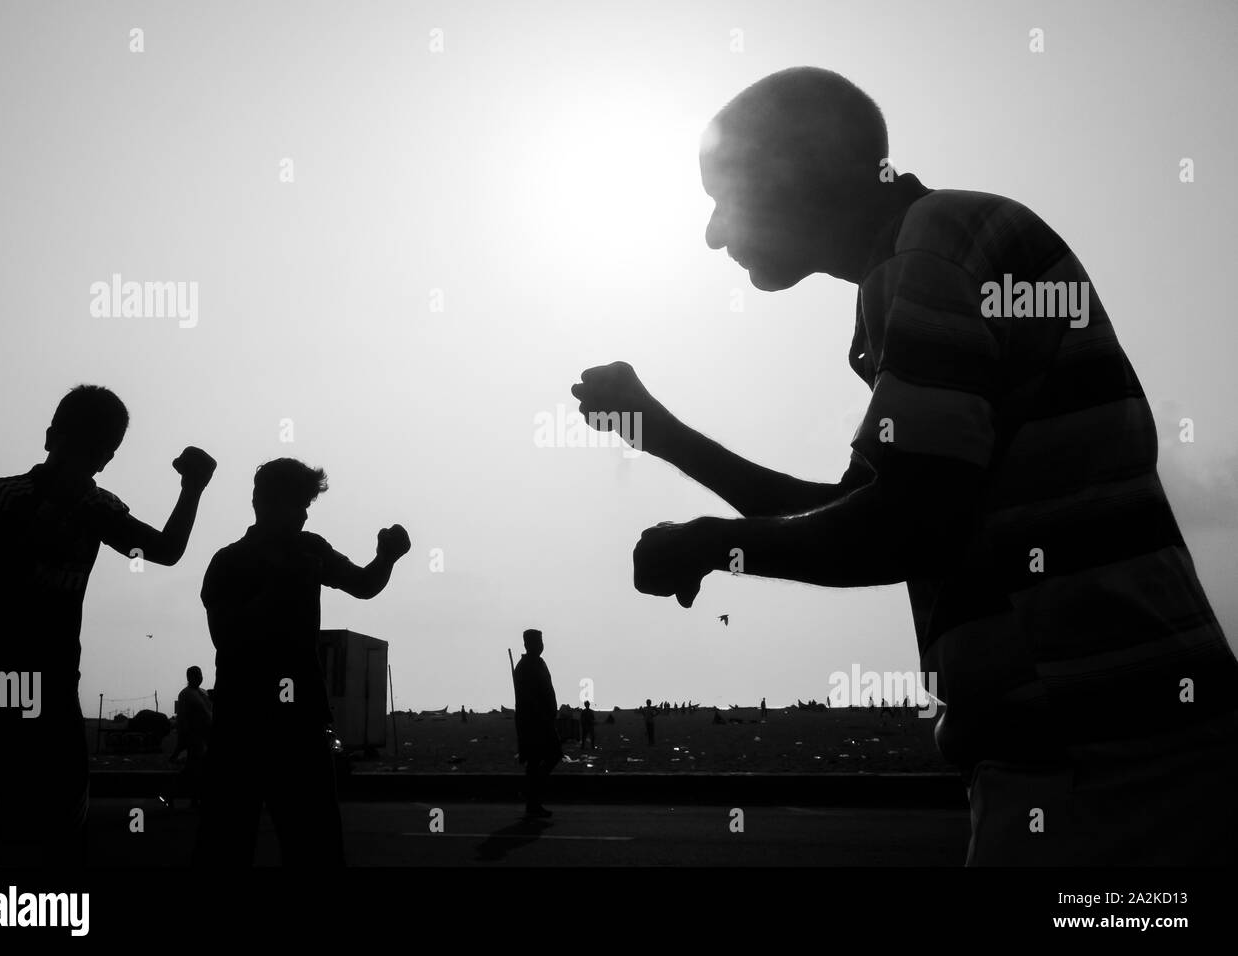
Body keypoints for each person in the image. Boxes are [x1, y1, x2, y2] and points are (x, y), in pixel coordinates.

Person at [571, 67, 1238, 866]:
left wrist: (714, 543)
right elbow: (862, 511)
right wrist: (665, 436)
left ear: (805, 169)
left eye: (725, 194)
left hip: (1100, 763)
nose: (713, 233)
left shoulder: (935, 249)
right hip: (1113, 748)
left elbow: (904, 526)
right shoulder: (932, 252)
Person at [0, 384, 215, 865]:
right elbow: (11, 557)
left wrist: (192, 489)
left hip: (42, 684)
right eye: (89, 449)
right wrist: (76, 500)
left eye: (99, 453)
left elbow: (166, 551)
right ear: (50, 439)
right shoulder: (2, 495)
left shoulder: (97, 508)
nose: (95, 463)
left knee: (54, 830)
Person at [195, 458, 410, 866]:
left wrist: (387, 557)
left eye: (306, 504)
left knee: (316, 846)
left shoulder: (311, 550)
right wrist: (279, 586)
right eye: (297, 503)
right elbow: (226, 636)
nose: (304, 513)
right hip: (242, 724)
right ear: (262, 502)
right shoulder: (230, 562)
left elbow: (363, 585)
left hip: (302, 723)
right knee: (224, 845)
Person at [513, 628, 561, 818]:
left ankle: (533, 798)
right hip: (533, 722)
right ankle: (532, 799)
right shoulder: (524, 667)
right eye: (536, 642)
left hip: (545, 719)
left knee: (548, 757)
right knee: (538, 759)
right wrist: (542, 715)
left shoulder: (540, 663)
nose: (540, 646)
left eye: (541, 642)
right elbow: (527, 698)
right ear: (527, 644)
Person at [170, 665, 213, 808]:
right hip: (194, 737)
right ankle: (182, 795)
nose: (200, 677)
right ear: (190, 677)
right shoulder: (186, 694)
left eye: (200, 674)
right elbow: (183, 718)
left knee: (198, 769)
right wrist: (183, 738)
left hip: (205, 737)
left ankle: (195, 798)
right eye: (197, 675)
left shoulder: (203, 692)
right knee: (194, 769)